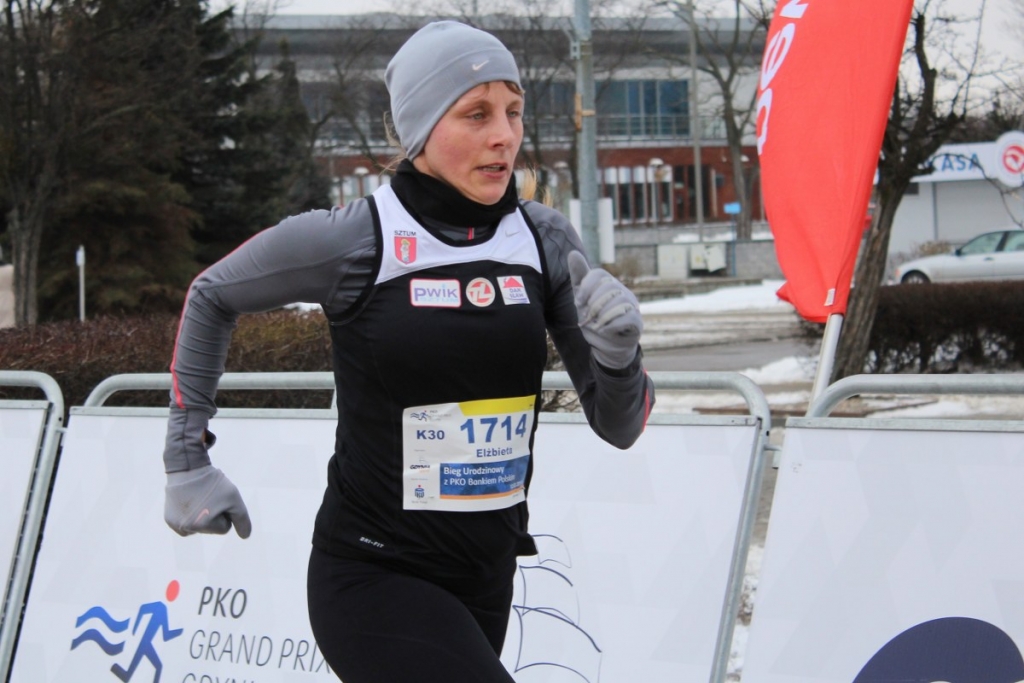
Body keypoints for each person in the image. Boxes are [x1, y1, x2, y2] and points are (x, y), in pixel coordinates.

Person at [161, 20, 655, 683]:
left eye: (513, 111)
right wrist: (186, 460)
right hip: (371, 574)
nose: (504, 135)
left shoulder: (542, 238)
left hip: (484, 578)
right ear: (421, 129)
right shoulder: (357, 239)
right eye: (476, 114)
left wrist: (620, 358)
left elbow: (620, 426)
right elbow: (212, 293)